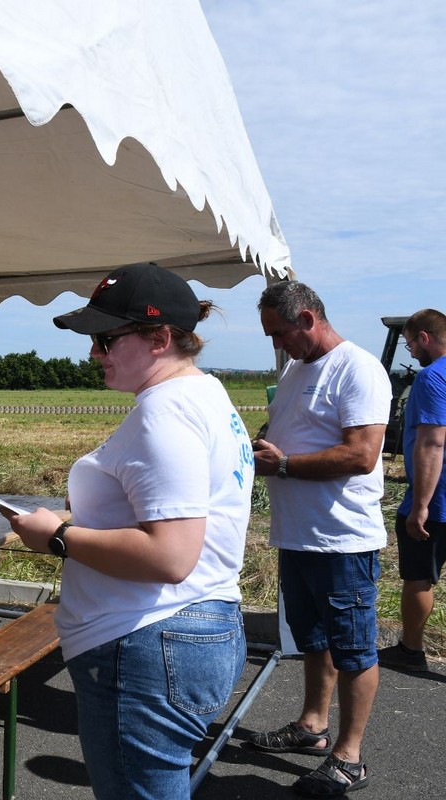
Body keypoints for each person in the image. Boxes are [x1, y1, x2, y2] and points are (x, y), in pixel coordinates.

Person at [2, 262, 254, 800]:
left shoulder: (164, 412)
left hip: (148, 637)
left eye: (105, 339)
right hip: (195, 624)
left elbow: (170, 556)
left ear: (160, 338)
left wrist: (58, 536)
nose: (94, 353)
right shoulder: (206, 396)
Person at [246, 281, 389, 796]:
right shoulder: (295, 372)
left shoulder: (358, 369)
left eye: (280, 333)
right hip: (300, 536)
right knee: (314, 640)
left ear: (307, 319)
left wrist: (281, 464)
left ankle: (349, 757)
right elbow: (293, 430)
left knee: (353, 648)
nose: (278, 345)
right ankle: (312, 726)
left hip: (342, 540)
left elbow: (361, 456)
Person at [377, 309, 446, 673]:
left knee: (419, 576)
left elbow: (432, 443)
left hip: (439, 499)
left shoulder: (432, 378)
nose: (410, 352)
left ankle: (411, 650)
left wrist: (421, 504)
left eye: (409, 344)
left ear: (424, 338)